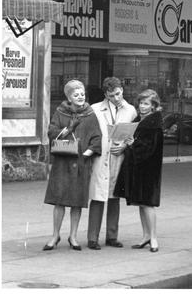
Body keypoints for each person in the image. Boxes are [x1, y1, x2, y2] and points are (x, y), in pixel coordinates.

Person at [43, 79, 102, 251]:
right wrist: (68, 129)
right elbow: (51, 132)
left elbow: (97, 138)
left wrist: (87, 153)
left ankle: (73, 236)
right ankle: (55, 235)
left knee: (77, 202)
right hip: (62, 162)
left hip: (81, 163)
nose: (80, 97)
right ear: (69, 97)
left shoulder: (90, 114)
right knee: (59, 201)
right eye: (76, 95)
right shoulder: (60, 112)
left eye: (82, 94)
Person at [87, 77, 137, 250]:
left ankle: (112, 236)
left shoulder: (130, 110)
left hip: (118, 156)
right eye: (112, 95)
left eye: (118, 94)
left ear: (122, 89)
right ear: (105, 95)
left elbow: (133, 134)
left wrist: (124, 145)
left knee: (114, 196)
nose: (116, 98)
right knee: (98, 196)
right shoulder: (95, 109)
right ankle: (92, 238)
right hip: (101, 157)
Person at [114, 89, 164, 252]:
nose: (142, 107)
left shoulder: (154, 124)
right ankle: (145, 236)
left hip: (148, 169)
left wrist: (132, 143)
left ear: (153, 106)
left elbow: (149, 148)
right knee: (141, 204)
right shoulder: (139, 120)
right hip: (138, 167)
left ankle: (154, 238)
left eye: (146, 104)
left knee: (148, 204)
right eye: (141, 103)